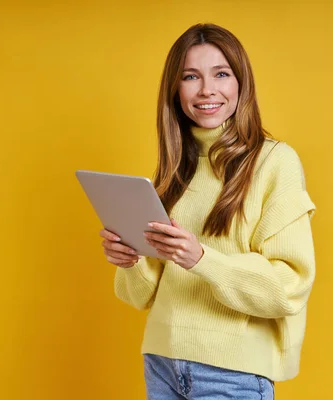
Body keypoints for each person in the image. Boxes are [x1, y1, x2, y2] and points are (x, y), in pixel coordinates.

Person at [100, 23, 316, 399]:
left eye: (221, 74)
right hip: (162, 362)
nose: (206, 90)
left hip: (231, 371)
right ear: (175, 89)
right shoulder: (175, 168)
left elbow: (289, 285)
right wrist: (130, 258)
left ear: (241, 83)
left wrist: (201, 258)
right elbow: (140, 296)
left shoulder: (274, 162)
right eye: (190, 76)